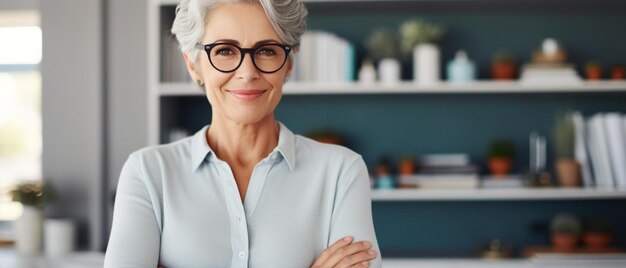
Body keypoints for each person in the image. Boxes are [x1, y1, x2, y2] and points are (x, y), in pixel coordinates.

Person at [104, 0, 381, 267]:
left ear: (288, 64)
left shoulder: (341, 170)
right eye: (225, 51)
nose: (247, 72)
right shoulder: (148, 172)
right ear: (193, 65)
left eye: (267, 50)